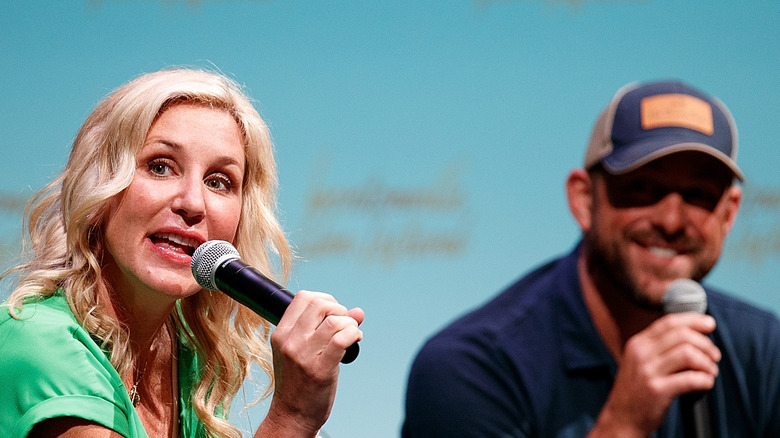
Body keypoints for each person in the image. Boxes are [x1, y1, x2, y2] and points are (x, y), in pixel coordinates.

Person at [0, 68, 364, 438]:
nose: (193, 203)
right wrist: (292, 417)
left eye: (218, 182)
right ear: (99, 187)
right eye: (160, 167)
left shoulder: (186, 356)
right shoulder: (39, 344)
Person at [402, 80, 780, 437]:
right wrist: (622, 426)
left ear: (728, 215)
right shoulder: (470, 368)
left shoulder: (765, 352)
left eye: (698, 194)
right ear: (584, 200)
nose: (671, 221)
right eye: (642, 188)